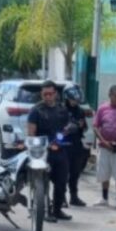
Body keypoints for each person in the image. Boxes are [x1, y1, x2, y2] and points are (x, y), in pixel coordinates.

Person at [27, 81, 72, 222]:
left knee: (61, 182)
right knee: (43, 183)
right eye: (45, 94)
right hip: (43, 153)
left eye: (50, 94)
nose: (48, 97)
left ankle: (57, 210)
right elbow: (31, 133)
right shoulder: (36, 110)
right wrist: (36, 149)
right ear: (41, 94)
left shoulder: (62, 109)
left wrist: (70, 129)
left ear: (55, 94)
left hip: (60, 150)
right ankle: (44, 211)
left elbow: (68, 126)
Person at [62, 85, 88, 207]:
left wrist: (81, 126)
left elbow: (84, 127)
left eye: (76, 100)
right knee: (62, 173)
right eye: (72, 99)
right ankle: (61, 197)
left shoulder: (80, 111)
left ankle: (74, 196)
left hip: (76, 144)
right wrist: (65, 129)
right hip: (63, 144)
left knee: (75, 172)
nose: (75, 101)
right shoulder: (61, 110)